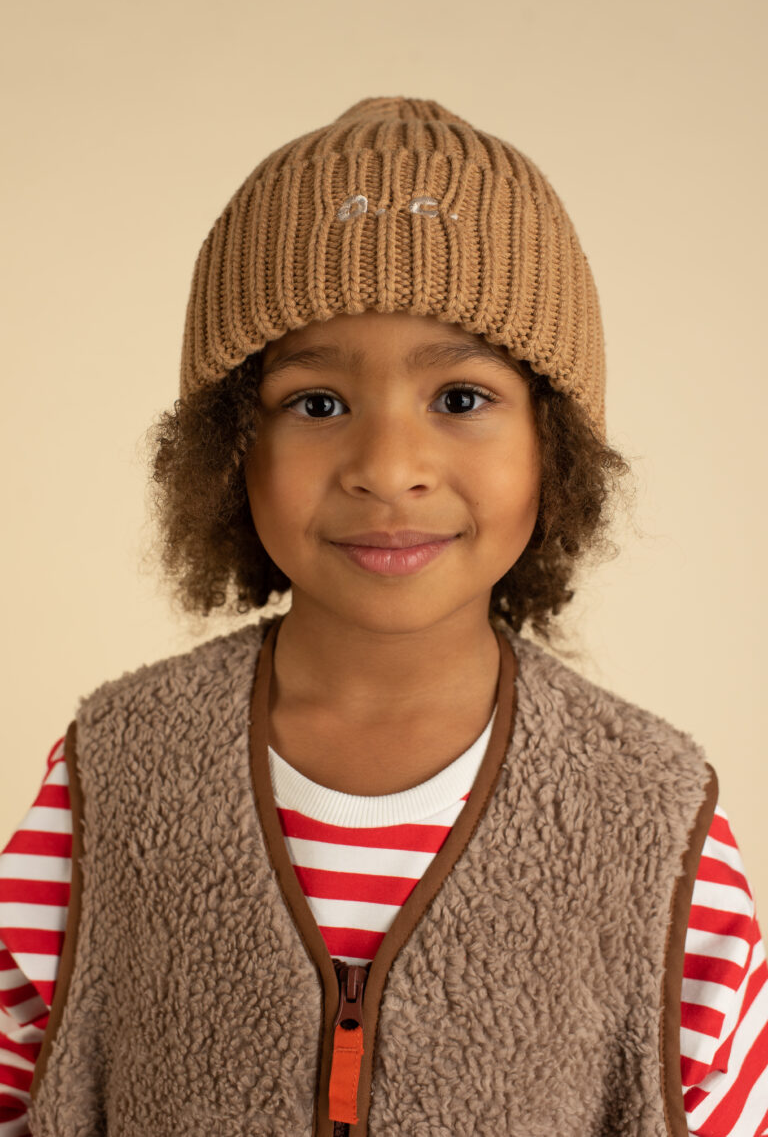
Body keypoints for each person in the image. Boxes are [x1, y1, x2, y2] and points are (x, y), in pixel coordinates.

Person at [0, 96, 766, 1137]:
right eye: (317, 404)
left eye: (461, 398)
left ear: (554, 442)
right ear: (228, 448)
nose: (389, 468)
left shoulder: (657, 821)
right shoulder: (111, 776)